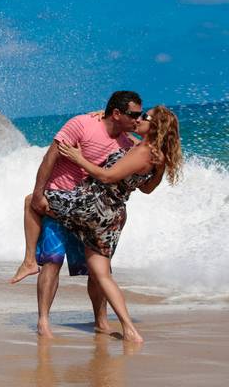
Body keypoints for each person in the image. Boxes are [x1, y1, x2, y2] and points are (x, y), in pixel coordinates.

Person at [9, 91, 148, 339]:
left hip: (90, 210)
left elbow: (151, 144)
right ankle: (43, 321)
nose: (138, 119)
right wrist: (40, 193)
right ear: (116, 113)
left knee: (98, 270)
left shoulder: (128, 144)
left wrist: (126, 127)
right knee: (52, 260)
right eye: (134, 114)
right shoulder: (81, 124)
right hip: (59, 198)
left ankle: (101, 322)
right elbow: (50, 157)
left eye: (140, 115)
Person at [48, 105, 182, 342]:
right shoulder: (150, 152)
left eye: (144, 117)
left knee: (33, 201)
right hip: (114, 215)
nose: (138, 118)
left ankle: (29, 260)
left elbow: (107, 177)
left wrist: (78, 158)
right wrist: (106, 114)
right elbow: (147, 188)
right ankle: (129, 328)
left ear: (156, 127)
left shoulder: (143, 151)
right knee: (101, 274)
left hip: (95, 206)